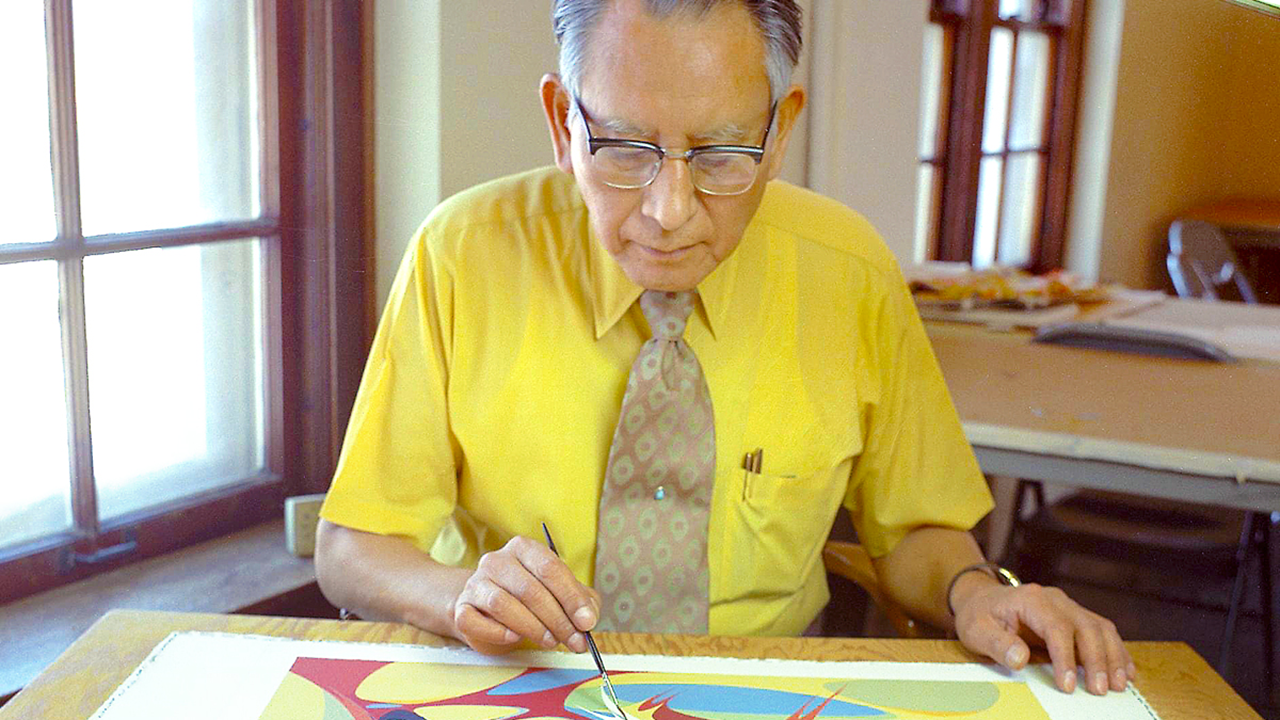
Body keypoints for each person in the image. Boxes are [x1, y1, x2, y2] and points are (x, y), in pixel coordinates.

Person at [315, 0, 1133, 697]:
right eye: (627, 148)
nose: (670, 211)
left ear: (780, 134)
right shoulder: (462, 255)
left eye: (720, 154)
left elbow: (919, 531)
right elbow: (352, 548)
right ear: (564, 124)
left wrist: (973, 592)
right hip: (518, 680)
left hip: (769, 686)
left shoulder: (847, 275)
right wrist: (458, 593)